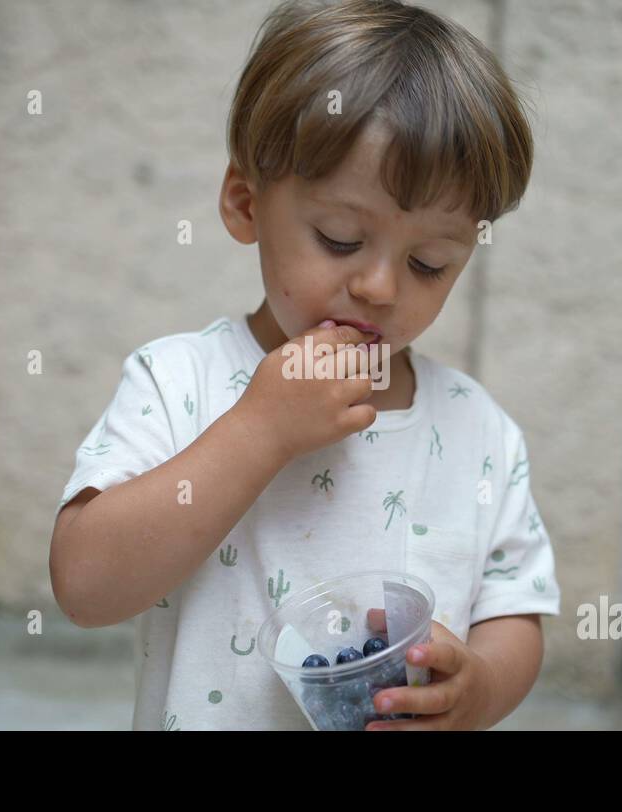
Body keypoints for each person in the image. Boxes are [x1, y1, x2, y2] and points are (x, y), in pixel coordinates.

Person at [49, 0, 559, 730]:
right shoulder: (179, 383)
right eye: (341, 238)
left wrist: (476, 689)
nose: (380, 287)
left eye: (428, 262)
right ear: (244, 203)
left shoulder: (479, 431)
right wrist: (259, 431)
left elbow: (515, 611)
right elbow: (84, 583)